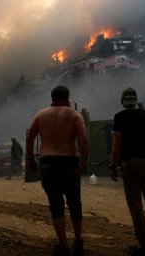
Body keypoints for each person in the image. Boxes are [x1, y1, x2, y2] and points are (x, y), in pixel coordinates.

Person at [26, 85, 89, 256]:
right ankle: (78, 240)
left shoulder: (41, 115)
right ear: (68, 97)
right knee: (75, 203)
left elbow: (30, 137)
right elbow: (83, 139)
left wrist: (31, 159)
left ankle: (63, 246)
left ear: (52, 97)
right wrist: (83, 163)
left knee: (56, 205)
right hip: (70, 163)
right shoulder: (75, 115)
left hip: (48, 164)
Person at [110, 87, 145, 256]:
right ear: (135, 100)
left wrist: (112, 164)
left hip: (130, 164)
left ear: (122, 102)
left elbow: (117, 144)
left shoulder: (119, 117)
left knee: (136, 206)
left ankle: (143, 247)